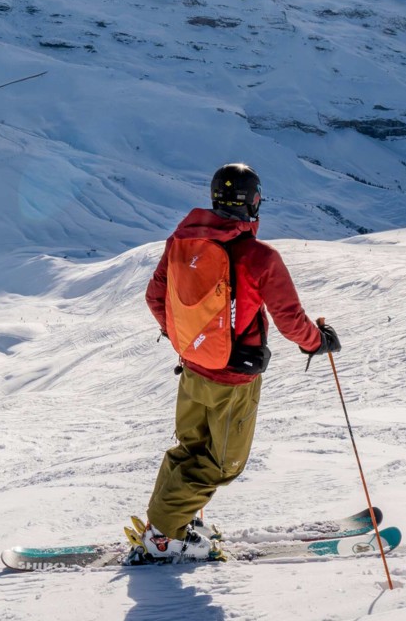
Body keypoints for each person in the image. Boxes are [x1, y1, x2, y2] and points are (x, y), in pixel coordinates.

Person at [126, 163, 339, 562]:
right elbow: (290, 319)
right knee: (223, 464)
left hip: (192, 368)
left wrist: (189, 338)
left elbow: (156, 298)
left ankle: (170, 522)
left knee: (191, 449)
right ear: (254, 203)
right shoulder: (260, 257)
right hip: (233, 381)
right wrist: (318, 343)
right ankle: (164, 536)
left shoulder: (182, 242)